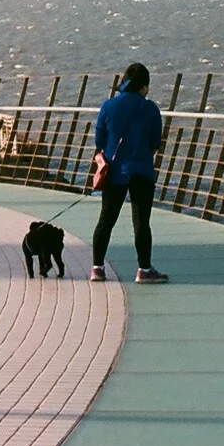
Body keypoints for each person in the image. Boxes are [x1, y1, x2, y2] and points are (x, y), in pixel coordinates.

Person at [89, 62, 168, 284]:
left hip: (114, 171)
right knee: (142, 222)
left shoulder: (108, 106)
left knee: (106, 220)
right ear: (144, 86)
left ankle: (97, 268)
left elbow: (100, 141)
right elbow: (155, 143)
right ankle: (144, 269)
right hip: (141, 170)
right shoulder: (151, 108)